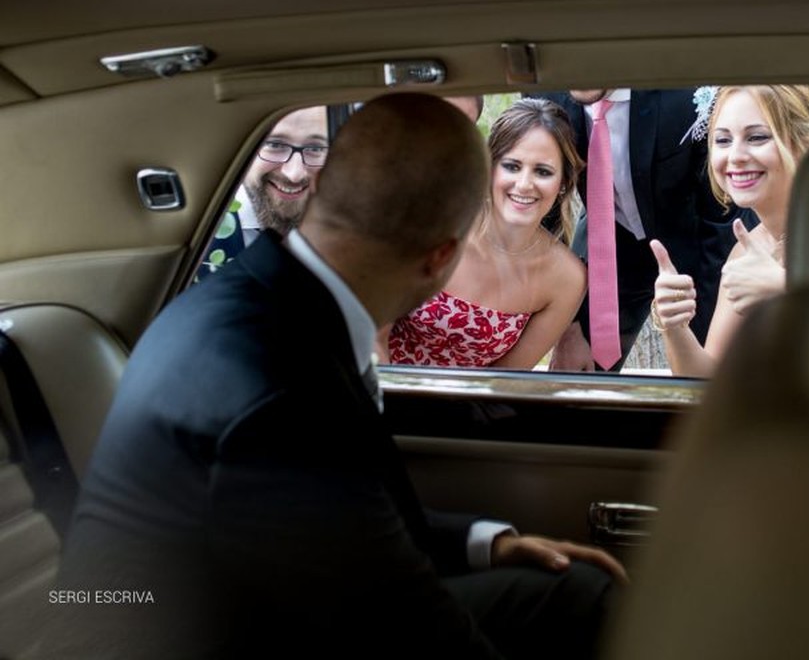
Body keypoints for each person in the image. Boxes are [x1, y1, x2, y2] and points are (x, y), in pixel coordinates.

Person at [47, 93, 624, 659]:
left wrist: (489, 544)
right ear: (440, 259)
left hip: (245, 600)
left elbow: (349, 523)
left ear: (324, 191)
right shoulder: (279, 384)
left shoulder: (266, 300)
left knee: (574, 593)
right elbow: (397, 614)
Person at [544, 88, 743, 372]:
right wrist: (569, 317)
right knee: (572, 371)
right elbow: (546, 210)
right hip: (611, 240)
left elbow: (723, 213)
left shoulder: (686, 95)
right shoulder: (545, 87)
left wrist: (710, 334)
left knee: (707, 375)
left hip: (698, 245)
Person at [383, 98, 587, 368]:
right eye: (512, 166)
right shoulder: (430, 226)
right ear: (489, 168)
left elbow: (508, 379)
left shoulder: (566, 278)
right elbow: (372, 337)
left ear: (563, 183)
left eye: (543, 171)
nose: (524, 184)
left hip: (472, 408)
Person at [651, 85, 809, 377]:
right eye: (722, 140)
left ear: (801, 143)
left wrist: (787, 289)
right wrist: (674, 326)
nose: (735, 156)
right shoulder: (743, 251)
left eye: (757, 137)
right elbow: (706, 380)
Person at [196, 105, 329, 278]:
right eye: (275, 144)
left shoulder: (351, 229)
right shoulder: (200, 235)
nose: (294, 174)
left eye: (315, 149)